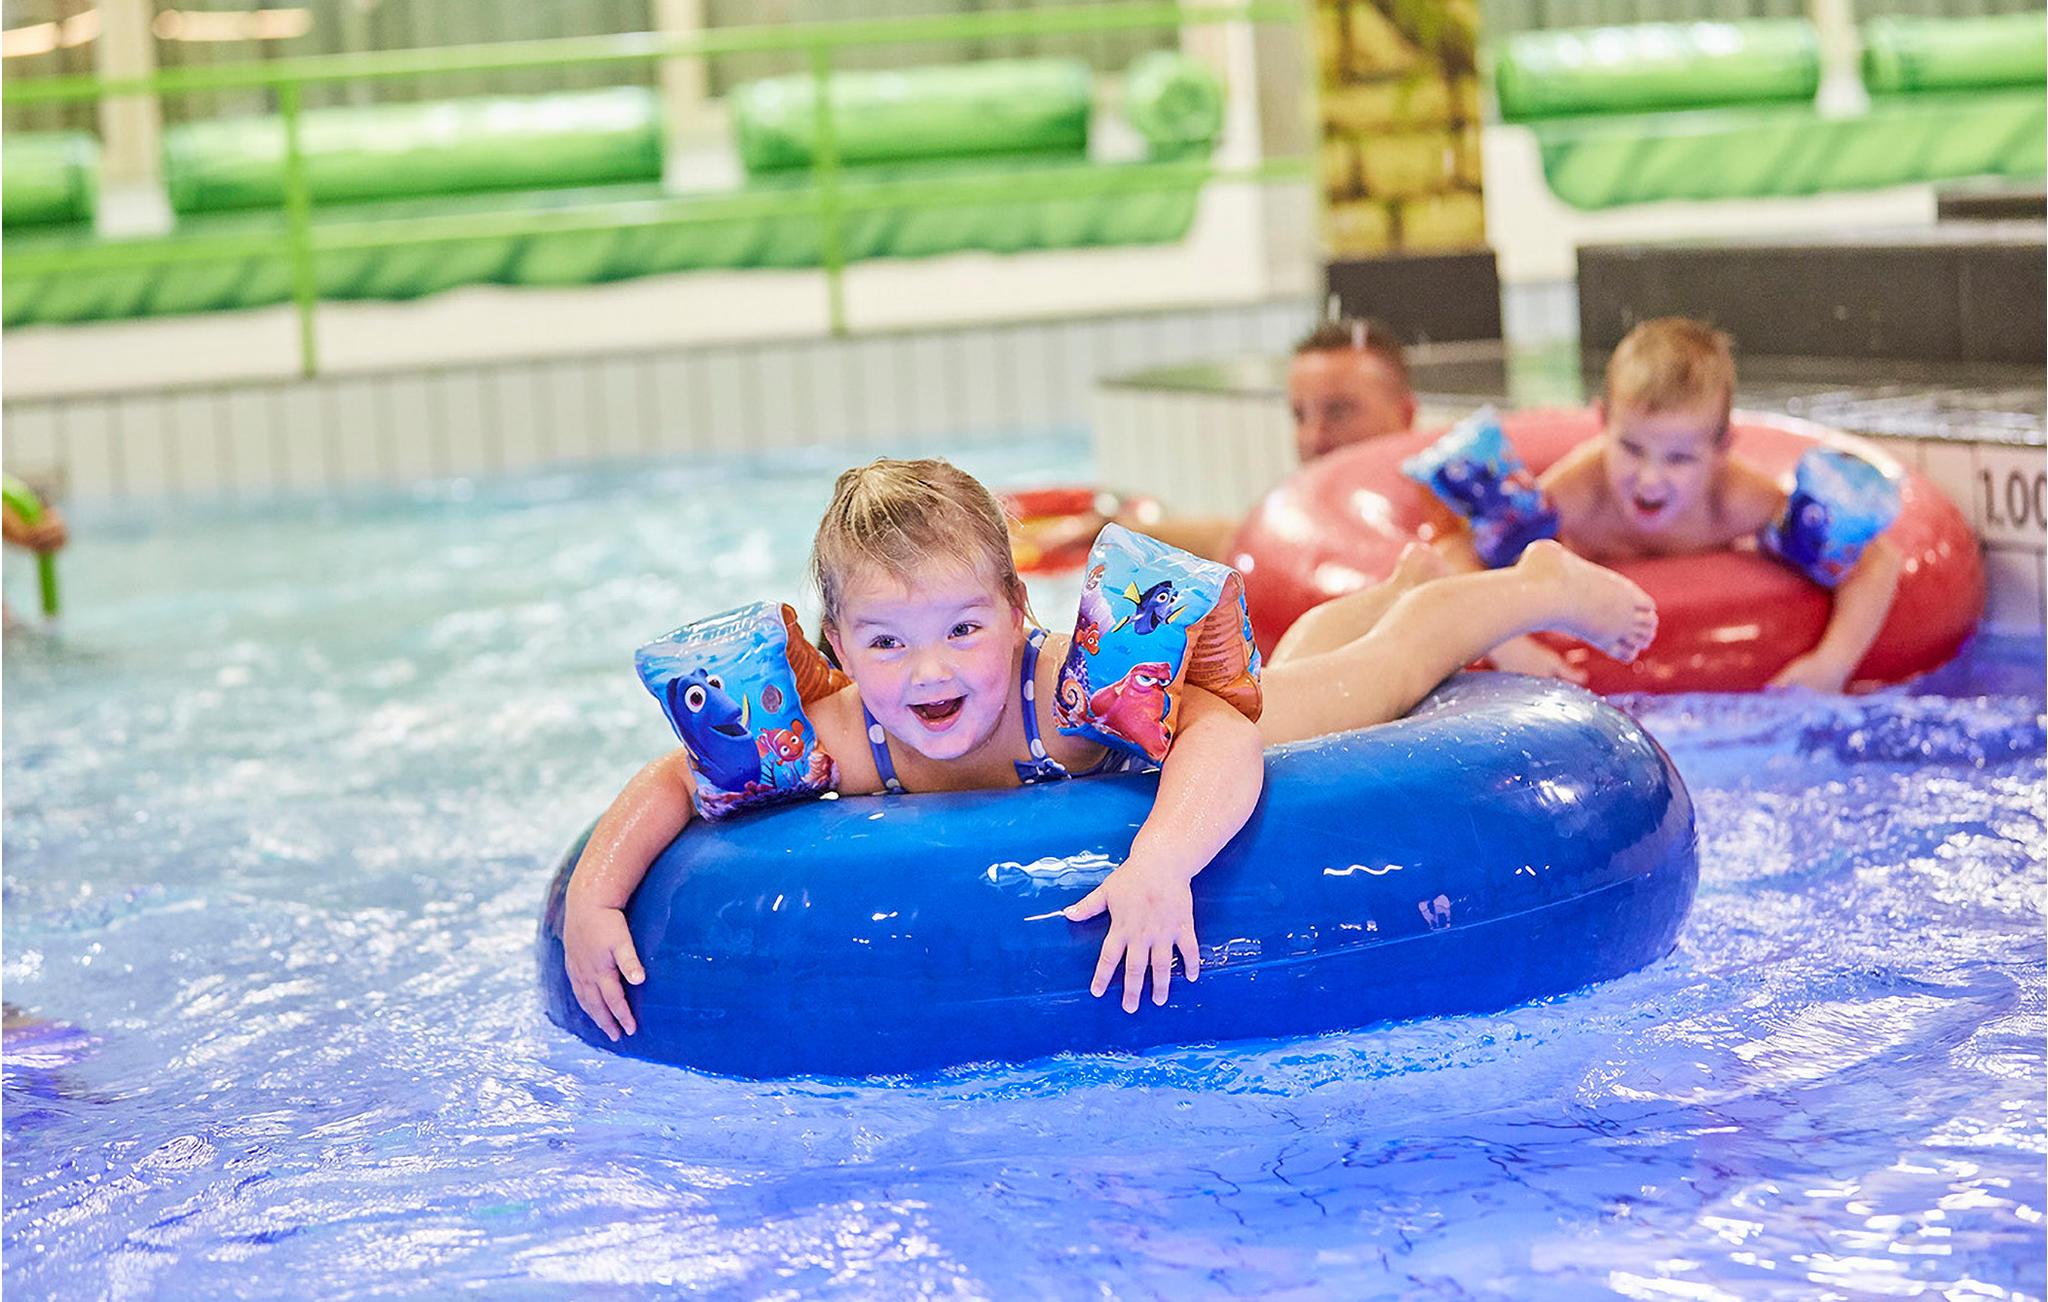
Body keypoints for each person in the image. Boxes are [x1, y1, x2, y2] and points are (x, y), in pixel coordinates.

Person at [562, 457, 1658, 1040]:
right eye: (887, 643)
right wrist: (595, 900)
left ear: (1016, 613)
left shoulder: (1057, 694)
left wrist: (1161, 861)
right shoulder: (846, 731)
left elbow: (1222, 733)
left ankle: (1526, 585)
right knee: (1316, 661)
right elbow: (676, 780)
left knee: (1374, 680)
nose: (929, 672)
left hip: (1177, 720)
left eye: (962, 629)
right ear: (839, 648)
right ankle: (1393, 589)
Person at [1432, 317, 1901, 692]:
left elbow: (1875, 560)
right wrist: (1510, 648)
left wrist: (1831, 665)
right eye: (1631, 448)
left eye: (1679, 458)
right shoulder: (1580, 494)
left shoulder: (1733, 499)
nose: (1649, 479)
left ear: (1720, 449)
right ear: (1603, 422)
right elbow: (1455, 555)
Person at [1020, 318, 1418, 566]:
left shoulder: (1438, 517)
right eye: (1300, 415)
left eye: (1339, 411)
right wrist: (1110, 531)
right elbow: (1235, 536)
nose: (1314, 437)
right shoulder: (1312, 519)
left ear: (1405, 415)